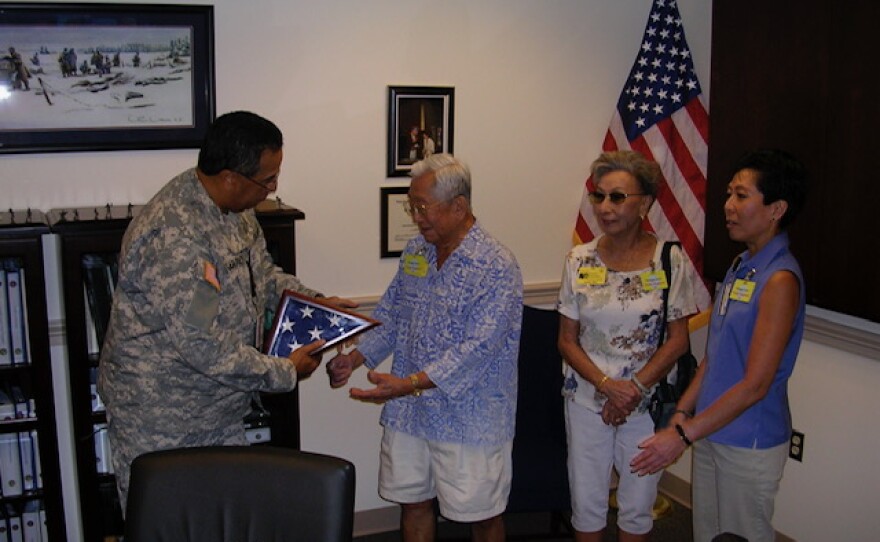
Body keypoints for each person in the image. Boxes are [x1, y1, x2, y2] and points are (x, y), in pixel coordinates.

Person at [97, 110, 356, 510]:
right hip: (161, 417)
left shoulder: (237, 210)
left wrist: (313, 301)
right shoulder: (172, 235)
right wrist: (285, 371)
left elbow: (263, 276)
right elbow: (200, 343)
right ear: (231, 177)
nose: (273, 188)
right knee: (169, 527)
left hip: (220, 407)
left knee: (227, 517)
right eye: (267, 179)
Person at [328, 154, 523, 542]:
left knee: (482, 517)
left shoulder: (496, 265)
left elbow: (479, 347)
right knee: (413, 503)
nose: (416, 216)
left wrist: (410, 382)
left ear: (459, 206)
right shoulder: (417, 251)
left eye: (422, 207)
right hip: (410, 412)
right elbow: (394, 313)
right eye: (411, 205)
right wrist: (355, 357)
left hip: (470, 417)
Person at [631, 149, 808, 542]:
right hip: (709, 429)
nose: (728, 205)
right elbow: (713, 358)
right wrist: (682, 412)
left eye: (742, 196)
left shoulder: (780, 279)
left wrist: (682, 435)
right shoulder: (739, 265)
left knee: (740, 536)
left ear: (776, 208)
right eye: (729, 193)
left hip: (748, 440)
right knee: (708, 534)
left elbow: (755, 384)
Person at [557, 150, 699, 542]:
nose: (605, 207)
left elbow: (677, 341)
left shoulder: (669, 260)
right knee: (586, 504)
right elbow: (566, 341)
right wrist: (607, 386)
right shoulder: (578, 259)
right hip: (587, 399)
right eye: (598, 196)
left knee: (637, 508)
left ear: (645, 203)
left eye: (617, 197)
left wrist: (632, 390)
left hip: (646, 404)